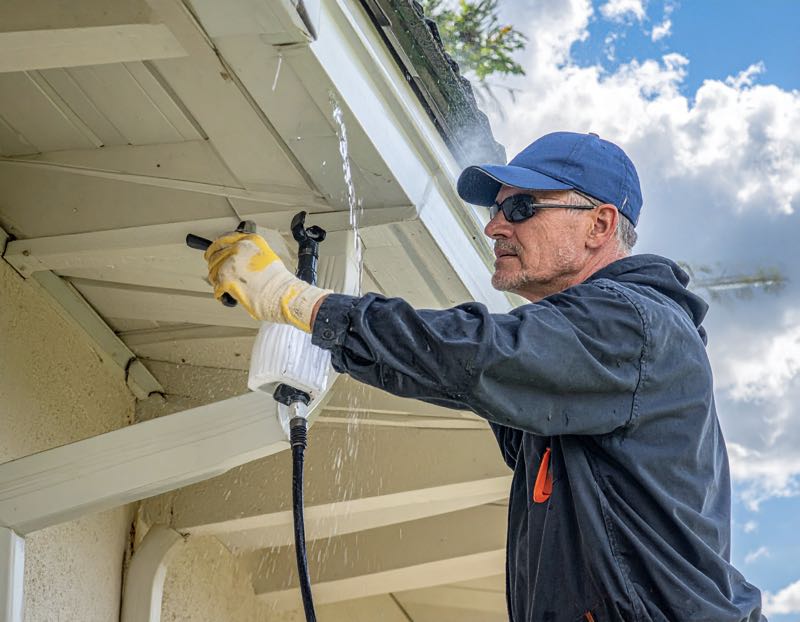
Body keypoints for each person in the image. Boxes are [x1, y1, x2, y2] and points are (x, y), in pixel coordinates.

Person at [205, 131, 765, 621]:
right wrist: (333, 335)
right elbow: (466, 375)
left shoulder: (634, 323)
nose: (496, 225)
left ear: (600, 224)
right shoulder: (590, 363)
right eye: (496, 210)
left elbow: (474, 356)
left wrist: (299, 302)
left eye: (522, 208)